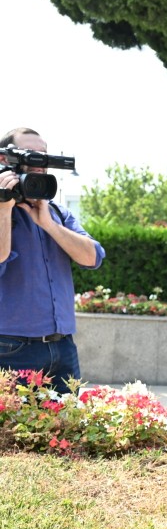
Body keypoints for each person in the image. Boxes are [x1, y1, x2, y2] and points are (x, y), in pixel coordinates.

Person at [0, 127, 105, 393]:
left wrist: (48, 224)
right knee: (12, 421)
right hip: (11, 348)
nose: (40, 161)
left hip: (63, 347)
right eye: (30, 153)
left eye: (44, 154)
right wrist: (4, 208)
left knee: (68, 420)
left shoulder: (57, 213)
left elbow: (93, 257)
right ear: (5, 159)